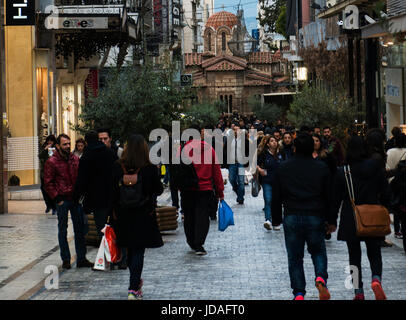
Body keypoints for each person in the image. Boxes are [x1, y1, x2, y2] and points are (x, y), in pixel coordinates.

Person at [272, 133, 332, 300]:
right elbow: (329, 196)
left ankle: (299, 293)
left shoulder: (283, 168)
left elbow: (276, 196)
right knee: (318, 251)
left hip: (292, 215)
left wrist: (276, 218)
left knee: (295, 257)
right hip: (315, 214)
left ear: (295, 148)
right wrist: (331, 219)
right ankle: (320, 277)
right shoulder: (321, 168)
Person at [330, 135, 390, 300]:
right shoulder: (375, 168)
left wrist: (332, 220)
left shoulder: (343, 171)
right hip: (372, 214)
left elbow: (335, 199)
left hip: (351, 215)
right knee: (374, 251)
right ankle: (376, 278)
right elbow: (385, 191)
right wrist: (384, 207)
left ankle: (358, 290)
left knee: (354, 254)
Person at [111, 134, 164, 300]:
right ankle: (133, 288)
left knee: (128, 248)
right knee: (139, 251)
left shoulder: (117, 166)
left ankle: (134, 282)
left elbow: (111, 192)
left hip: (122, 215)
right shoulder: (149, 168)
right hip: (143, 215)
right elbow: (159, 189)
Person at [44, 134, 93, 269]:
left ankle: (81, 258)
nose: (67, 146)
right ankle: (66, 259)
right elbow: (48, 183)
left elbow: (81, 178)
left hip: (75, 199)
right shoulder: (52, 162)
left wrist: (81, 194)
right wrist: (57, 198)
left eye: (68, 144)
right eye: (64, 144)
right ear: (58, 146)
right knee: (62, 230)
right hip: (62, 200)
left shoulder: (75, 159)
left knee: (80, 229)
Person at [178, 126, 224, 255]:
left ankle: (192, 241)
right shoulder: (209, 150)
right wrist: (220, 192)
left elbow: (177, 171)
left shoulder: (182, 150)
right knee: (202, 215)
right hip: (205, 188)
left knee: (189, 216)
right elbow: (216, 172)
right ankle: (199, 243)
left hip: (187, 189)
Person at [73, 130, 118, 241]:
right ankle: (119, 256)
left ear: (87, 142)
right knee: (115, 228)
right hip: (113, 196)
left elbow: (82, 179)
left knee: (102, 229)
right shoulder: (109, 153)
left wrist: (76, 196)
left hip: (96, 200)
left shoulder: (86, 156)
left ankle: (107, 254)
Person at [365, 128, 393, 248]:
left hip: (371, 190)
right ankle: (378, 236)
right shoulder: (377, 157)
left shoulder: (369, 154)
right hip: (378, 190)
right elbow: (381, 174)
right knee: (379, 213)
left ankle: (376, 235)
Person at [257, 135, 282, 231]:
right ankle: (268, 220)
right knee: (268, 200)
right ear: (268, 144)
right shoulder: (264, 154)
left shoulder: (281, 154)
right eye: (271, 141)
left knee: (278, 201)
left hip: (279, 182)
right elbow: (256, 164)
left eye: (275, 141)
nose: (274, 142)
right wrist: (260, 170)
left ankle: (277, 220)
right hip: (267, 181)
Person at [386, 132, 406, 239]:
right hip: (403, 183)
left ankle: (397, 230)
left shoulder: (390, 152)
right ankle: (403, 228)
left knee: (396, 205)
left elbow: (387, 167)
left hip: (392, 182)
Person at [226, 123, 249, 204]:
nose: (236, 131)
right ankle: (238, 193)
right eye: (234, 130)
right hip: (232, 163)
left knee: (241, 182)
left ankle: (240, 197)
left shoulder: (245, 140)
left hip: (241, 164)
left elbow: (248, 152)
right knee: (232, 180)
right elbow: (225, 151)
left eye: (237, 130)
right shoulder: (229, 140)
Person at [39, 135, 57, 215]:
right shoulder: (44, 147)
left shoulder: (57, 147)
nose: (50, 142)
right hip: (44, 172)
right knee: (43, 189)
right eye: (48, 141)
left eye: (51, 141)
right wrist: (45, 149)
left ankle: (54, 207)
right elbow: (39, 156)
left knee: (52, 190)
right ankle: (48, 205)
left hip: (54, 173)